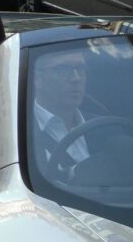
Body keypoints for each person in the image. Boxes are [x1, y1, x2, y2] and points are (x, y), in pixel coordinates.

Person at [32, 47, 93, 180]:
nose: (76, 78)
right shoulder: (17, 134)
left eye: (81, 69)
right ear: (37, 79)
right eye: (63, 69)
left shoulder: (107, 129)